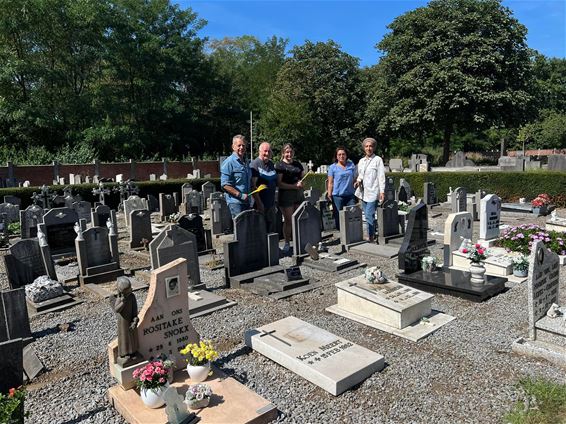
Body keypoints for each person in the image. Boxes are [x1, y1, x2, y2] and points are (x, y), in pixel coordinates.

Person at [354, 137, 386, 242]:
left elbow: (381, 176)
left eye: (371, 146)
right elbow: (361, 175)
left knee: (368, 214)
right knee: (368, 215)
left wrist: (382, 191)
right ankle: (373, 232)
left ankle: (371, 236)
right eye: (367, 146)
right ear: (364, 148)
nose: (369, 148)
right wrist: (358, 181)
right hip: (364, 192)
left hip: (373, 192)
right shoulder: (361, 161)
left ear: (374, 148)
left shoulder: (378, 160)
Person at [276, 143, 304, 253]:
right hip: (286, 195)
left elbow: (303, 178)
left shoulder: (298, 164)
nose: (289, 154)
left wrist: (302, 183)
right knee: (288, 221)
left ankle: (299, 241)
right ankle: (287, 243)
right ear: (283, 153)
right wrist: (294, 186)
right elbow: (280, 183)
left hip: (298, 195)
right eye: (287, 152)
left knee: (299, 219)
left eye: (291, 152)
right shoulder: (280, 166)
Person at [250, 141, 278, 233]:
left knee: (272, 230)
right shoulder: (255, 164)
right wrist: (259, 203)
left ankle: (272, 247)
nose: (267, 153)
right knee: (261, 231)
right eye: (265, 151)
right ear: (259, 151)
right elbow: (253, 186)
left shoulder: (271, 164)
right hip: (260, 205)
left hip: (271, 204)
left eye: (269, 151)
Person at [111, 276, 139, 366]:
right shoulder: (119, 299)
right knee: (124, 337)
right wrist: (123, 302)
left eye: (129, 292)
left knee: (132, 337)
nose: (128, 294)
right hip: (122, 322)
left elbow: (135, 310)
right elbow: (116, 309)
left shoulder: (132, 297)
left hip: (130, 319)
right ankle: (125, 354)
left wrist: (135, 320)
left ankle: (133, 352)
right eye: (126, 293)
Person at [221, 135, 251, 217]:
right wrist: (240, 195)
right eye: (239, 145)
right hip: (236, 203)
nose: (241, 147)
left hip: (247, 201)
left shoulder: (246, 162)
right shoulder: (229, 162)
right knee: (240, 228)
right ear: (233, 147)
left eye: (243, 145)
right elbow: (225, 185)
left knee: (247, 228)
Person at [327, 146, 357, 230]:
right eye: (339, 154)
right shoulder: (332, 167)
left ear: (346, 155)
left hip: (350, 195)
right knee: (338, 216)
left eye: (343, 154)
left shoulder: (351, 165)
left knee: (352, 213)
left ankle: (352, 232)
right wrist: (329, 193)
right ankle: (341, 234)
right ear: (336, 156)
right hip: (337, 195)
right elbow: (330, 182)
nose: (341, 156)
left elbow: (355, 178)